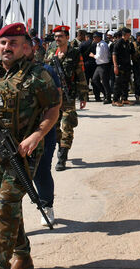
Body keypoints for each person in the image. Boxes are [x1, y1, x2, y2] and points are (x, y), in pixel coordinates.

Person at [0, 23, 60, 269]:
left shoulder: (37, 75)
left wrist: (37, 135)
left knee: (5, 207)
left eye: (13, 43)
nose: (7, 48)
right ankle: (23, 255)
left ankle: (0, 265)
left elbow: (54, 106)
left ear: (25, 47)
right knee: (7, 210)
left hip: (22, 155)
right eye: (3, 43)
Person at [25, 34, 62, 227]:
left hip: (42, 132)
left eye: (26, 46)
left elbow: (57, 102)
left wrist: (41, 131)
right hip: (13, 135)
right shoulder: (2, 73)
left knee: (41, 171)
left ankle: (47, 206)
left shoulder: (45, 71)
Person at [44, 25, 88, 171]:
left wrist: (83, 95)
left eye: (60, 36)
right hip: (52, 96)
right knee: (54, 127)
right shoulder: (51, 52)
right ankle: (60, 146)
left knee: (67, 125)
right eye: (56, 36)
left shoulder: (75, 53)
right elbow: (44, 71)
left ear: (67, 37)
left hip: (68, 95)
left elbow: (80, 73)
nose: (57, 39)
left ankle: (62, 157)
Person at [111, 27, 134, 106]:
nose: (130, 35)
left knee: (125, 83)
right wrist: (115, 66)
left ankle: (124, 99)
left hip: (126, 66)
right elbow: (114, 54)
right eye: (129, 34)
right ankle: (115, 100)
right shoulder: (119, 42)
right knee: (118, 83)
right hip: (120, 66)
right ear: (126, 34)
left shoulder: (127, 42)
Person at [91, 31, 113, 104]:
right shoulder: (99, 44)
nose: (93, 39)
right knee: (95, 79)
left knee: (105, 82)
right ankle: (105, 94)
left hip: (103, 65)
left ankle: (108, 98)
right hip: (100, 65)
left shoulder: (102, 45)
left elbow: (99, 56)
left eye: (95, 37)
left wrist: (92, 55)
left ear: (99, 38)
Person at [79, 30, 96, 104]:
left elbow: (79, 54)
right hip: (94, 64)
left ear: (86, 37)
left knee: (85, 81)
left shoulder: (83, 44)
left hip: (85, 64)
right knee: (94, 80)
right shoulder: (95, 44)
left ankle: (86, 97)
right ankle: (97, 96)